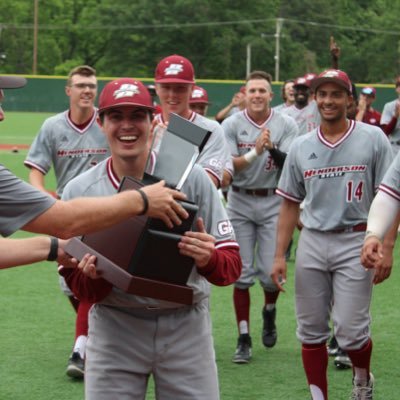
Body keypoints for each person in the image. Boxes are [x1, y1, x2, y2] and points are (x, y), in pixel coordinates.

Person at [58, 77, 242, 400]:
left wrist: (208, 258)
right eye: (116, 116)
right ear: (101, 122)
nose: (126, 126)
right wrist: (94, 278)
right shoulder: (79, 190)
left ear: (152, 120)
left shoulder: (193, 177)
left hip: (185, 324)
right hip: (115, 326)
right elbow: (77, 285)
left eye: (137, 116)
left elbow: (231, 264)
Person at [270, 69, 395, 399]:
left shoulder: (373, 138)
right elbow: (289, 206)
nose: (328, 100)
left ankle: (363, 378)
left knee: (351, 333)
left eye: (336, 94)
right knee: (310, 332)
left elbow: (391, 194)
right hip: (312, 239)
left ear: (350, 100)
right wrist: (280, 255)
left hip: (357, 239)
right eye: (322, 94)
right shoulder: (300, 146)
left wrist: (388, 244)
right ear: (314, 99)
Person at [0, 75, 188, 285]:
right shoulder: (76, 177)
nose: (2, 115)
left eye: (137, 116)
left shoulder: (192, 174)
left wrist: (55, 247)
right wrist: (142, 200)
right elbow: (65, 221)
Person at [24, 65, 111, 378]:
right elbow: (36, 169)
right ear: (68, 90)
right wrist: (45, 204)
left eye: (91, 85)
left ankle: (81, 348)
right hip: (66, 216)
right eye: (80, 85)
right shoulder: (52, 126)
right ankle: (97, 336)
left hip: (105, 215)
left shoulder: (106, 120)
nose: (87, 90)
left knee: (90, 278)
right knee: (71, 285)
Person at [222, 70, 299, 364]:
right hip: (240, 198)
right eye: (252, 90)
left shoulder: (286, 123)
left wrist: (272, 148)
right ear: (244, 94)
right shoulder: (232, 124)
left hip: (272, 199)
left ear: (270, 95)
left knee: (270, 273)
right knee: (240, 273)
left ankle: (269, 311)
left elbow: (291, 165)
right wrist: (255, 152)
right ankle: (243, 336)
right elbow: (230, 166)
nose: (256, 95)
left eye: (262, 91)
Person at [153, 54, 230, 188]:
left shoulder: (211, 129)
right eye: (166, 87)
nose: (172, 94)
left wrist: (175, 147)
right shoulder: (147, 128)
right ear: (157, 88)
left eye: (180, 88)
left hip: (194, 208)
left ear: (192, 89)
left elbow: (209, 184)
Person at [380, 75, 400, 150]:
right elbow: (386, 132)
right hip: (395, 147)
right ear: (397, 89)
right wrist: (395, 116)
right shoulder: (389, 106)